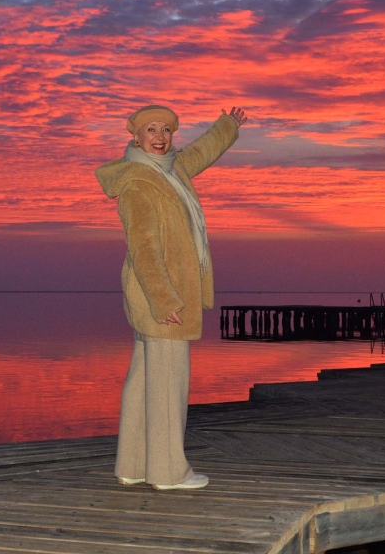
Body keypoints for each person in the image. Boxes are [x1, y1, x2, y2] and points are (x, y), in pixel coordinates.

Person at [95, 103, 247, 490]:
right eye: (152, 130)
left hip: (155, 298)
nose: (160, 137)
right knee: (168, 386)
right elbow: (144, 249)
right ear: (135, 136)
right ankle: (167, 473)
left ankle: (133, 465)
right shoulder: (139, 183)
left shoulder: (172, 171)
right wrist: (165, 302)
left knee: (146, 381)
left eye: (166, 130)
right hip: (162, 299)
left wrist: (228, 126)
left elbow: (200, 151)